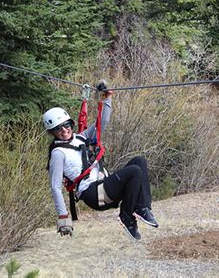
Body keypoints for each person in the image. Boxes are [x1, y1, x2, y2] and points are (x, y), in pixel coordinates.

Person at [42, 86, 158, 240]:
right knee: (134, 171)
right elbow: (55, 186)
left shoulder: (81, 137)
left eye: (66, 125)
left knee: (139, 161)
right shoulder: (58, 153)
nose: (64, 130)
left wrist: (107, 98)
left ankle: (143, 207)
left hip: (104, 187)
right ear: (53, 133)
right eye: (58, 129)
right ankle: (127, 216)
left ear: (71, 124)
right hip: (94, 195)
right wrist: (63, 216)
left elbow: (102, 123)